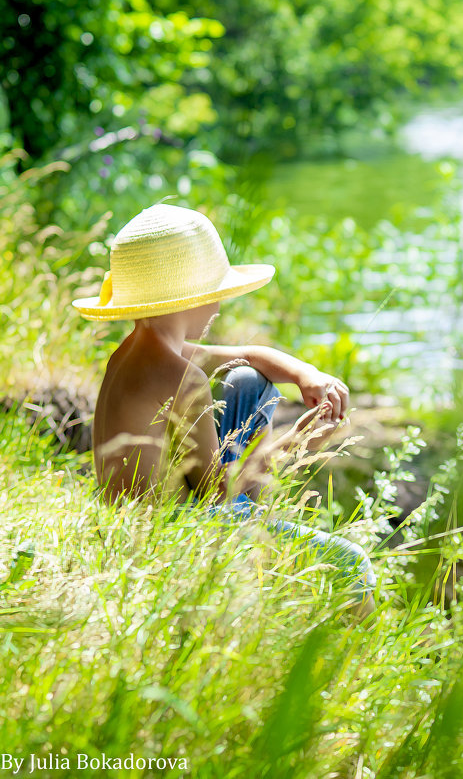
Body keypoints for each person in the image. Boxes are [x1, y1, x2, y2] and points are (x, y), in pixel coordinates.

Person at [73, 203, 376, 612]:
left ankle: (254, 530)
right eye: (214, 297)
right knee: (351, 562)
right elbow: (222, 488)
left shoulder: (135, 353)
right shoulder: (181, 376)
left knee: (249, 380)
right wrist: (302, 440)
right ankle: (353, 662)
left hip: (136, 527)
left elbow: (250, 355)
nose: (217, 309)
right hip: (173, 544)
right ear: (191, 299)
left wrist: (306, 374)